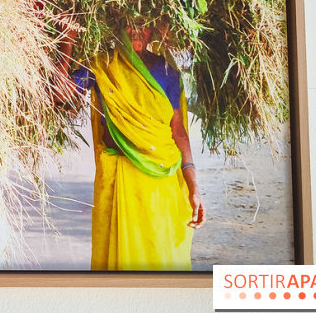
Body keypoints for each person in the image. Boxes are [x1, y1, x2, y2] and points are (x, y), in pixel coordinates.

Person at [57, 21, 205, 271]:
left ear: (154, 30)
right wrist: (67, 40)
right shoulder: (102, 65)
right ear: (115, 25)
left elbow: (178, 132)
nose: (137, 29)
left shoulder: (167, 71)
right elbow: (59, 94)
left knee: (160, 261)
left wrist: (194, 187)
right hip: (118, 180)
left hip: (161, 186)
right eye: (128, 22)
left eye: (144, 24)